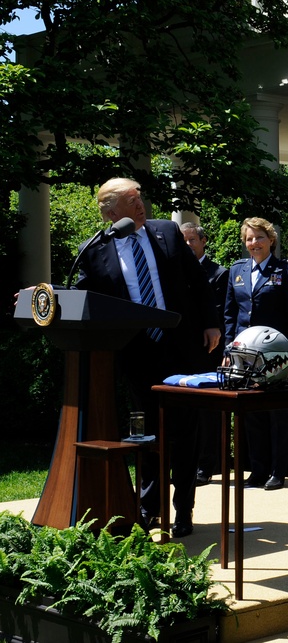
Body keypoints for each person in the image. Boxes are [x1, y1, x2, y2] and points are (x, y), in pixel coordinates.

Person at [76, 179, 220, 538]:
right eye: (131, 201)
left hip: (182, 348)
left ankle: (183, 510)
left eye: (139, 198)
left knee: (186, 432)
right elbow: (81, 296)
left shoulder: (167, 232)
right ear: (111, 213)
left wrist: (212, 324)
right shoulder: (95, 250)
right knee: (146, 436)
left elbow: (198, 282)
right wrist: (39, 297)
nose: (140, 205)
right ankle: (149, 509)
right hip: (137, 353)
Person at [224, 217, 288, 491]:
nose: (253, 243)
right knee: (251, 416)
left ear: (271, 240)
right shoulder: (236, 271)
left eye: (259, 237)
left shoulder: (286, 270)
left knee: (276, 415)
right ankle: (257, 470)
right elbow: (230, 315)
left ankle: (277, 472)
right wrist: (228, 350)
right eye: (249, 238)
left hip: (275, 356)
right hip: (243, 357)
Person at [180, 222, 228, 486]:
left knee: (208, 412)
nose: (188, 245)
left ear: (203, 241)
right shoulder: (175, 271)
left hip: (208, 351)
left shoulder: (218, 274)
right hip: (183, 351)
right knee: (186, 410)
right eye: (183, 241)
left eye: (191, 240)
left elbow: (217, 311)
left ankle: (207, 466)